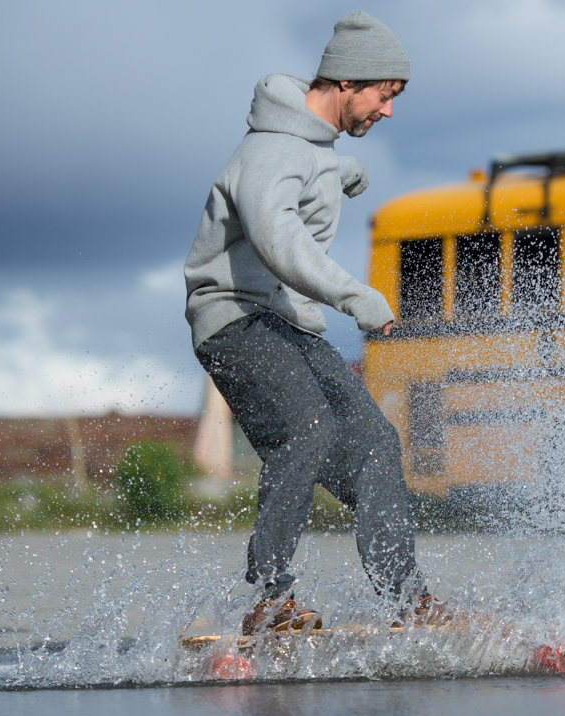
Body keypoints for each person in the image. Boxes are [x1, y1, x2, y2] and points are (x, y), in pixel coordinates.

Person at [183, 10, 441, 635]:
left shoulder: (308, 150)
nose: (388, 111)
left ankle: (407, 601)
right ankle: (270, 599)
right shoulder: (271, 151)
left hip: (288, 323)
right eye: (385, 95)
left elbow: (307, 169)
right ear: (349, 83)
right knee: (307, 431)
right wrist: (356, 295)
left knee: (377, 443)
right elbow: (278, 240)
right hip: (235, 319)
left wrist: (338, 171)